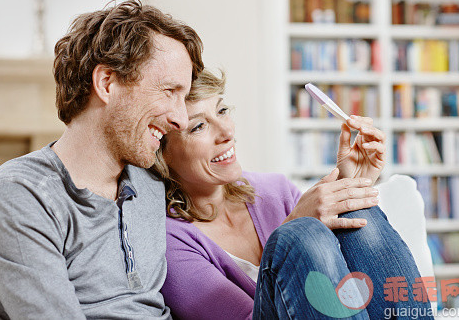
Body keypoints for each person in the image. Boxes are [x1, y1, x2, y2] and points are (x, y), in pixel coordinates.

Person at [0, 0, 203, 319]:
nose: (181, 119)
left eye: (184, 97)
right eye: (168, 92)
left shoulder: (149, 183)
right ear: (107, 83)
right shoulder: (20, 195)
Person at [151, 69, 434, 319]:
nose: (227, 131)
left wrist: (351, 182)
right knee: (300, 235)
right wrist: (296, 223)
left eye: (222, 111)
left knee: (356, 211)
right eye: (199, 126)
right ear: (162, 154)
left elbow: (342, 278)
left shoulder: (274, 190)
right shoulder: (168, 241)